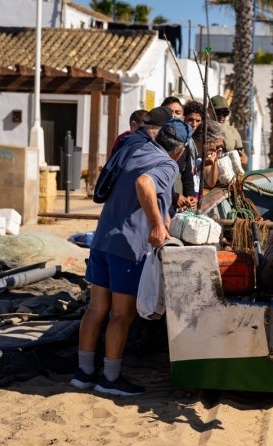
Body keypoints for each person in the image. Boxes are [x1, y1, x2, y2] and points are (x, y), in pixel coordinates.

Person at [71, 118, 192, 396]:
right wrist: (157, 225)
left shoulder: (138, 149)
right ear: (181, 150)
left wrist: (164, 214)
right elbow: (144, 184)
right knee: (121, 315)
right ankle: (110, 379)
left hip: (102, 239)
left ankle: (84, 373)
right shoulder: (168, 164)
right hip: (128, 246)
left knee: (95, 309)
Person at [162, 97, 195, 212]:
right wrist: (174, 196)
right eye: (170, 112)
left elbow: (187, 175)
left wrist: (190, 196)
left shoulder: (185, 142)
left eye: (177, 112)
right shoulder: (157, 141)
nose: (174, 115)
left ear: (183, 117)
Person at [210, 95, 248, 170]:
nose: (221, 116)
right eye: (218, 112)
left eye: (225, 113)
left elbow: (244, 159)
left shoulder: (233, 131)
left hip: (230, 176)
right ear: (209, 111)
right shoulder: (202, 131)